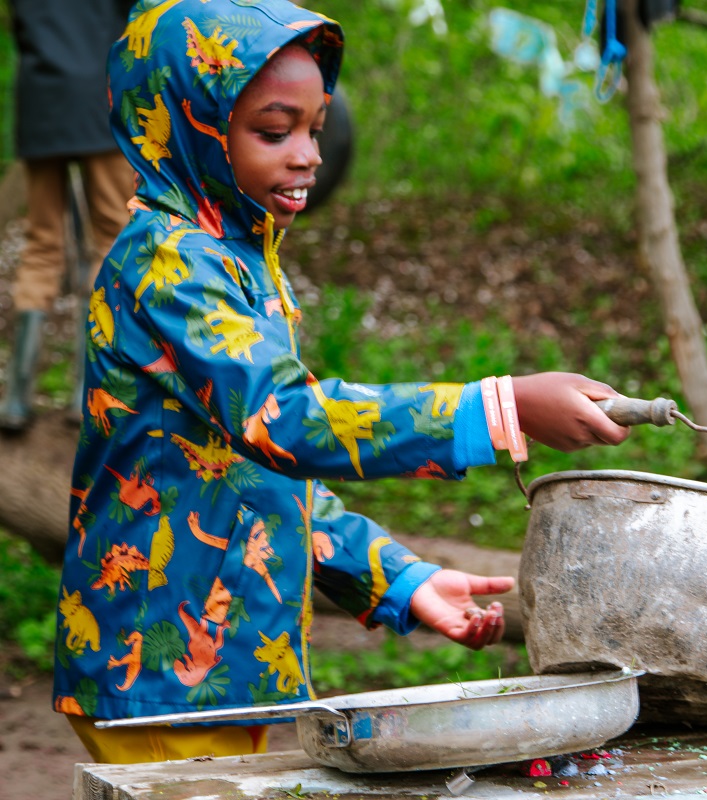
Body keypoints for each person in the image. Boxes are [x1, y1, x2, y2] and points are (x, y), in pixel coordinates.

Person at [52, 0, 630, 765]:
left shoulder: (239, 262)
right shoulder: (170, 263)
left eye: (315, 128)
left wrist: (398, 578)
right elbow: (285, 422)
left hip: (238, 669)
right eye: (273, 130)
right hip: (159, 676)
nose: (308, 155)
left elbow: (260, 478)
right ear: (192, 121)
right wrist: (500, 407)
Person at [0, 0, 134, 431]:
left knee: (41, 242)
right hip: (100, 101)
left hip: (42, 103)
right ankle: (84, 394)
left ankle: (18, 399)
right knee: (110, 239)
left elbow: (19, 27)